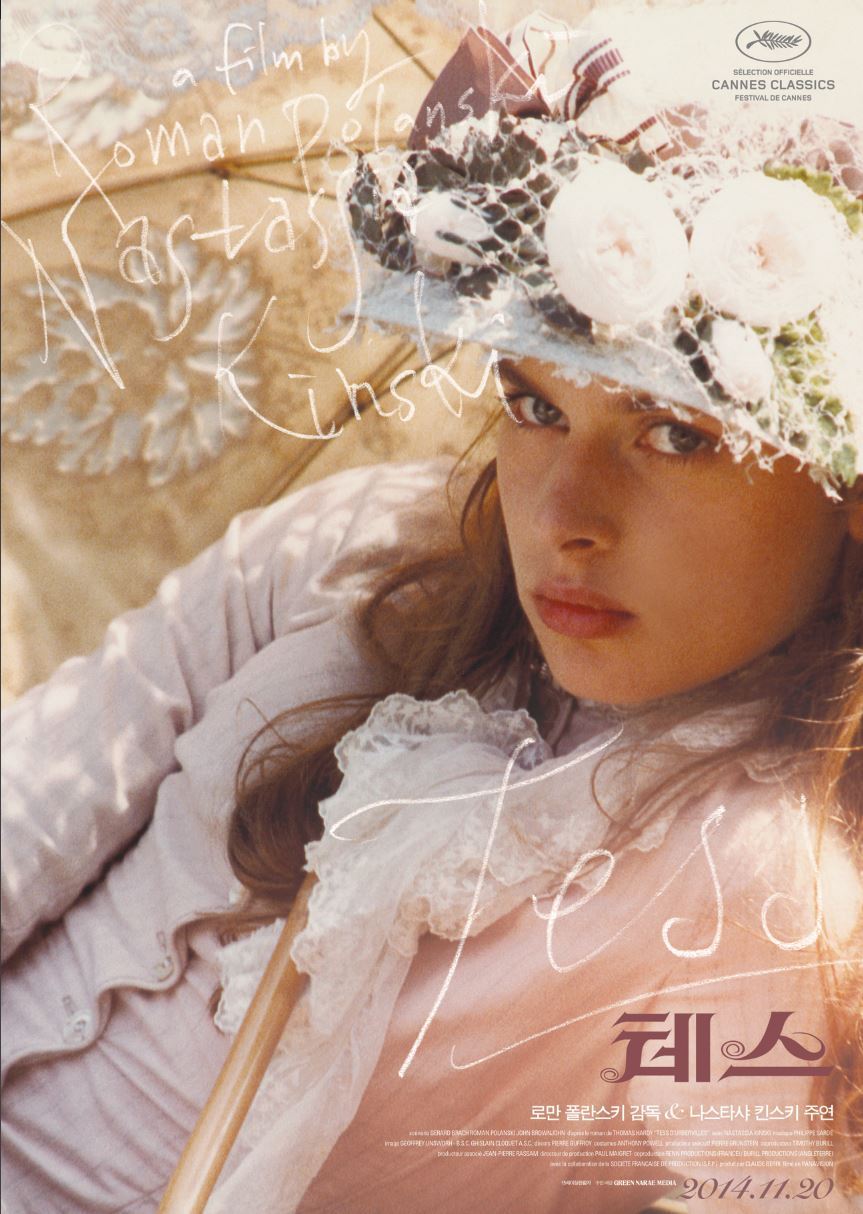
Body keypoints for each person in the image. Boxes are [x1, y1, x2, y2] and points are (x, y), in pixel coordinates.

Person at [2, 11, 861, 1214]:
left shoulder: (757, 877)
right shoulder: (352, 546)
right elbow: (29, 802)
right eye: (534, 403)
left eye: (675, 435)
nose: (564, 515)